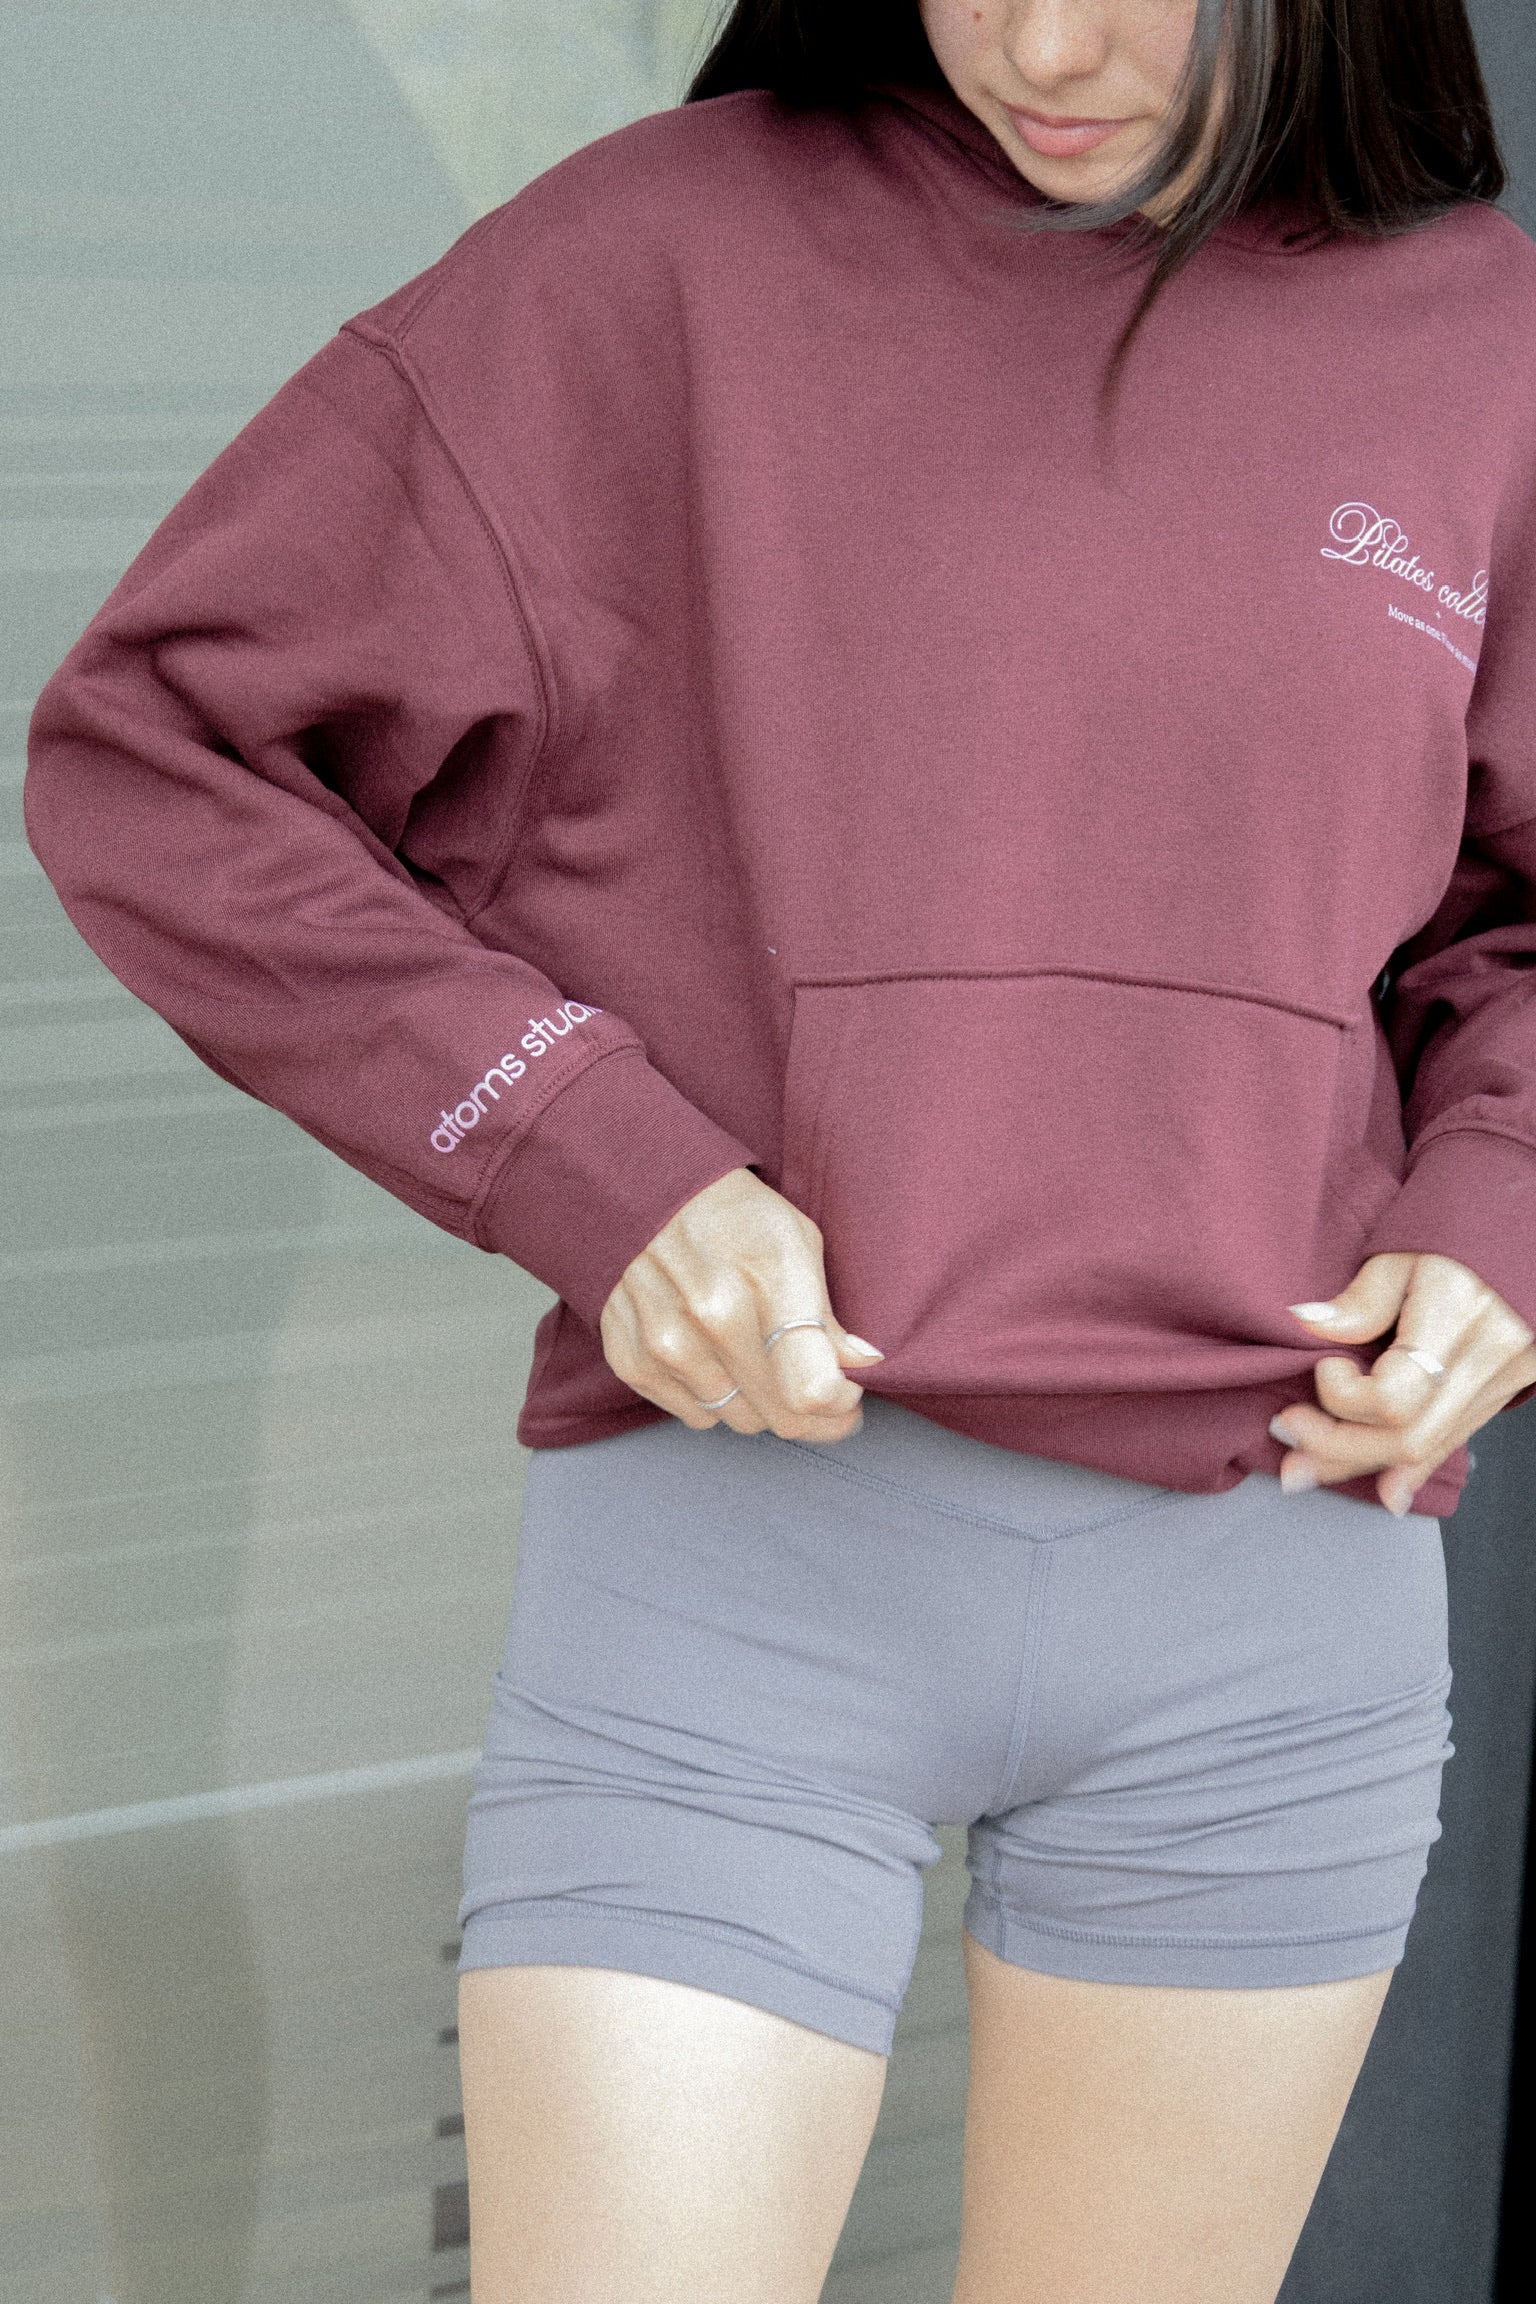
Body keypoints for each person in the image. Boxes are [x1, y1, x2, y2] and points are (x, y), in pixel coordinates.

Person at [22, 1, 1536, 2297]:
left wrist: (1498, 1199)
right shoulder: (650, 264)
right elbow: (163, 748)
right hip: (740, 1571)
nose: (1038, 39)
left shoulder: (1480, 343)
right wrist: (586, 1154)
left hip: (1277, 1597)